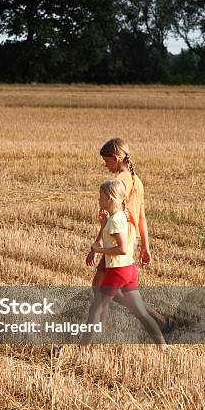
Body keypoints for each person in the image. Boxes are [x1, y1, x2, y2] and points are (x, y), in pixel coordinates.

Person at [86, 137, 175, 334]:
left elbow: (112, 217)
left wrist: (98, 244)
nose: (106, 165)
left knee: (101, 289)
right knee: (108, 289)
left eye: (107, 161)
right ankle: (160, 320)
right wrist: (145, 246)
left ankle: (97, 331)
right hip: (130, 241)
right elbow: (141, 218)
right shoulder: (137, 181)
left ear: (116, 158)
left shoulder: (117, 183)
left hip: (117, 240)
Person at [80, 179, 170, 353]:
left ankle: (82, 348)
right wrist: (103, 225)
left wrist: (99, 249)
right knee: (140, 312)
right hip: (129, 269)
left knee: (95, 309)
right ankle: (163, 346)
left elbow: (121, 248)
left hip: (117, 271)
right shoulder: (120, 216)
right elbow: (117, 238)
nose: (98, 200)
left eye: (101, 197)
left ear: (110, 198)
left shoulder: (115, 221)